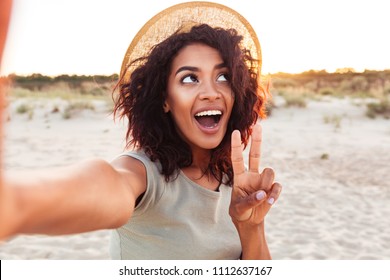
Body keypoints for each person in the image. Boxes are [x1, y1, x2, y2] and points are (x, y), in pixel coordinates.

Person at [0, 1, 282, 259]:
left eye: (223, 76)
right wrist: (18, 203)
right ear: (165, 100)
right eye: (189, 79)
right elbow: (108, 184)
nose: (211, 92)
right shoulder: (144, 175)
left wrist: (251, 228)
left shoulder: (238, 184)